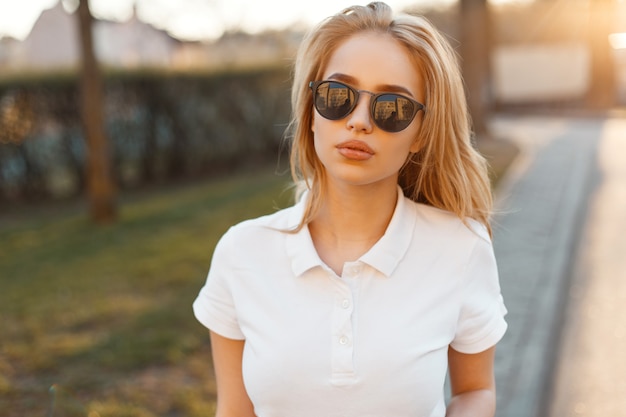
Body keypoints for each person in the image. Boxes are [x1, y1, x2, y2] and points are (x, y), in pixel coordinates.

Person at [193, 2, 507, 417]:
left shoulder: (460, 247)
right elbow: (234, 411)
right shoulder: (241, 253)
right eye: (338, 96)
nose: (359, 121)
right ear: (311, 113)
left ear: (420, 134)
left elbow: (475, 391)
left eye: (391, 106)